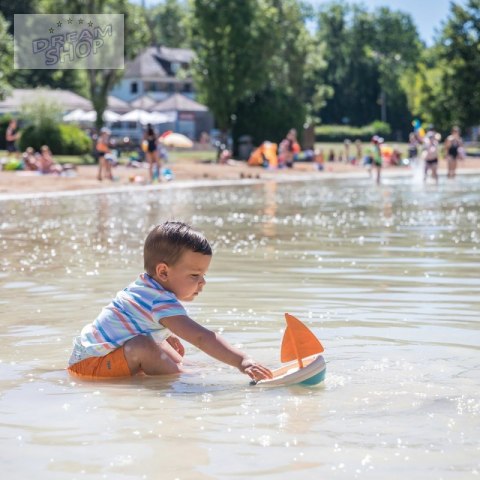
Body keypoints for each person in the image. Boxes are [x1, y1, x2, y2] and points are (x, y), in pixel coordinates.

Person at [67, 221, 273, 382]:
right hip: (91, 367)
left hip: (87, 358)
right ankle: (183, 379)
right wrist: (242, 361)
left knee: (170, 344)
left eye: (203, 275)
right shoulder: (159, 300)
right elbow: (201, 337)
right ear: (163, 271)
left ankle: (186, 369)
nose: (203, 282)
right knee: (145, 346)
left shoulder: (146, 287)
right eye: (195, 275)